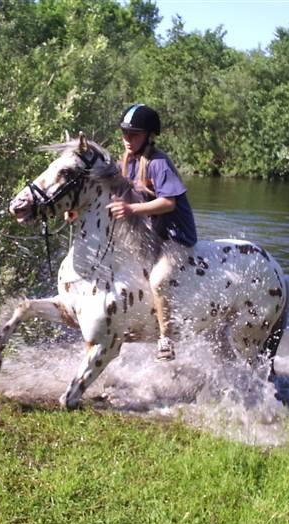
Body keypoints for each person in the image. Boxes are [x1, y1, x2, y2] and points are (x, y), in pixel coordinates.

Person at [107, 103, 197, 362]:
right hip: (150, 235)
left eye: (133, 134)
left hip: (176, 238)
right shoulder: (127, 162)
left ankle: (166, 339)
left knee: (158, 280)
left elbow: (169, 203)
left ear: (148, 135)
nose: (127, 139)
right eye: (124, 134)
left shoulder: (159, 162)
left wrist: (132, 208)